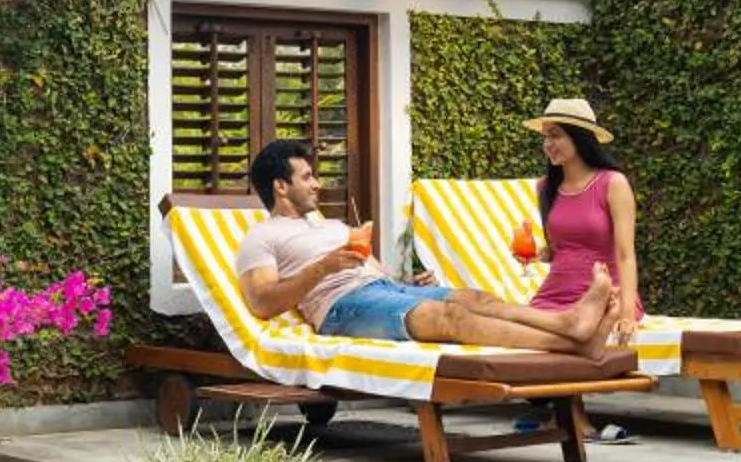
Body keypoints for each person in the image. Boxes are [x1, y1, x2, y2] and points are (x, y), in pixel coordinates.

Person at [233, 138, 623, 353]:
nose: (317, 184)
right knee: (449, 318)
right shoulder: (261, 236)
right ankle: (572, 341)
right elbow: (263, 303)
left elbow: (377, 278)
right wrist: (323, 268)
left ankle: (569, 325)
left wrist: (408, 282)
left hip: (382, 291)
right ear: (280, 187)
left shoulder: (331, 224)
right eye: (307, 177)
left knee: (476, 298)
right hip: (340, 307)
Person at [524, 95, 640, 329]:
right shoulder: (545, 187)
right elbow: (563, 249)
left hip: (604, 297)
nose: (548, 144)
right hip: (553, 297)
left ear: (580, 138)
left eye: (555, 135)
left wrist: (627, 315)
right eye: (545, 136)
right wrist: (536, 256)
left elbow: (626, 254)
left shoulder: (613, 184)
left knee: (576, 329)